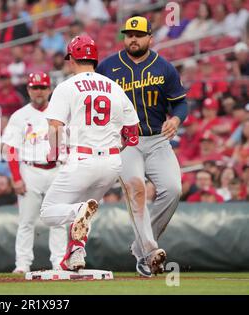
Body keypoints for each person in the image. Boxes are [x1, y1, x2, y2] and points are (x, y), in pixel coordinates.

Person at [96, 17, 188, 277]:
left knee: (173, 190)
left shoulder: (164, 68)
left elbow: (180, 103)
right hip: (126, 142)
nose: (133, 39)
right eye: (129, 34)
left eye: (138, 34)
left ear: (150, 37)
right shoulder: (108, 67)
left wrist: (177, 118)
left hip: (157, 139)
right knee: (136, 192)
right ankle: (149, 252)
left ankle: (140, 248)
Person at [40, 35, 140, 271]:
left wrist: (53, 154)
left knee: (49, 213)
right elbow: (133, 135)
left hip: (82, 159)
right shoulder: (115, 87)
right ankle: (75, 255)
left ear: (72, 59)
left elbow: (54, 127)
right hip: (112, 161)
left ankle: (77, 211)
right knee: (88, 207)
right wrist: (113, 149)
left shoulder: (66, 86)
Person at [2, 72, 67, 274]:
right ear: (29, 90)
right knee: (26, 221)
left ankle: (59, 262)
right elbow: (11, 148)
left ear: (49, 89)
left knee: (59, 220)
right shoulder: (20, 115)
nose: (39, 91)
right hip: (30, 170)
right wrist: (16, 177)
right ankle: (22, 264)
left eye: (42, 87)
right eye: (35, 87)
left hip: (57, 169)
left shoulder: (61, 113)